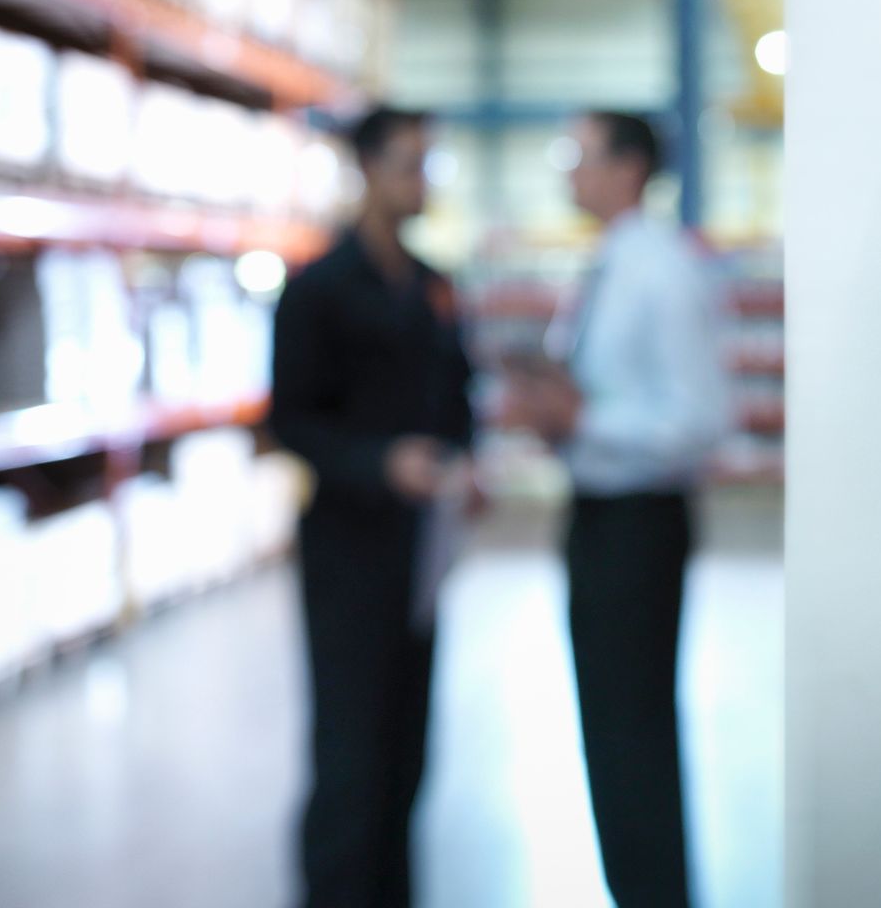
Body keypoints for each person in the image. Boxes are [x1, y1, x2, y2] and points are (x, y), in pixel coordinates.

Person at [505, 110, 732, 908]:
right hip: (603, 515)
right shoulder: (609, 264)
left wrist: (585, 421)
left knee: (631, 730)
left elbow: (700, 418)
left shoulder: (661, 271)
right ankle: (634, 886)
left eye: (581, 156)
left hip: (640, 523)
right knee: (611, 725)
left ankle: (655, 892)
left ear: (629, 167)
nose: (570, 172)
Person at [271, 106, 475, 908]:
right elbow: (292, 422)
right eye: (408, 165)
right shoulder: (318, 291)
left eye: (429, 165)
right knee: (350, 759)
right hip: (347, 551)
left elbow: (456, 396)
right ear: (367, 170)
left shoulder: (432, 288)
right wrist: (381, 462)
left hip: (421, 551)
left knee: (407, 757)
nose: (420, 181)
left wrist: (465, 462)